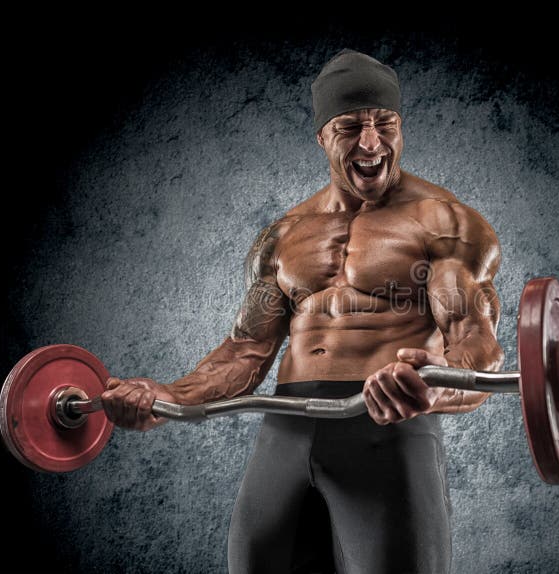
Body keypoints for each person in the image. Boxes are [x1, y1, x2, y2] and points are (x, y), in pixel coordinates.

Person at [101, 49, 504, 574]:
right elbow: (247, 350)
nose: (371, 143)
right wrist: (170, 395)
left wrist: (435, 386)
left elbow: (478, 347)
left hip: (384, 425)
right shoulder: (285, 235)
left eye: (385, 124)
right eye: (350, 127)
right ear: (321, 136)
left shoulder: (444, 222)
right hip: (284, 432)